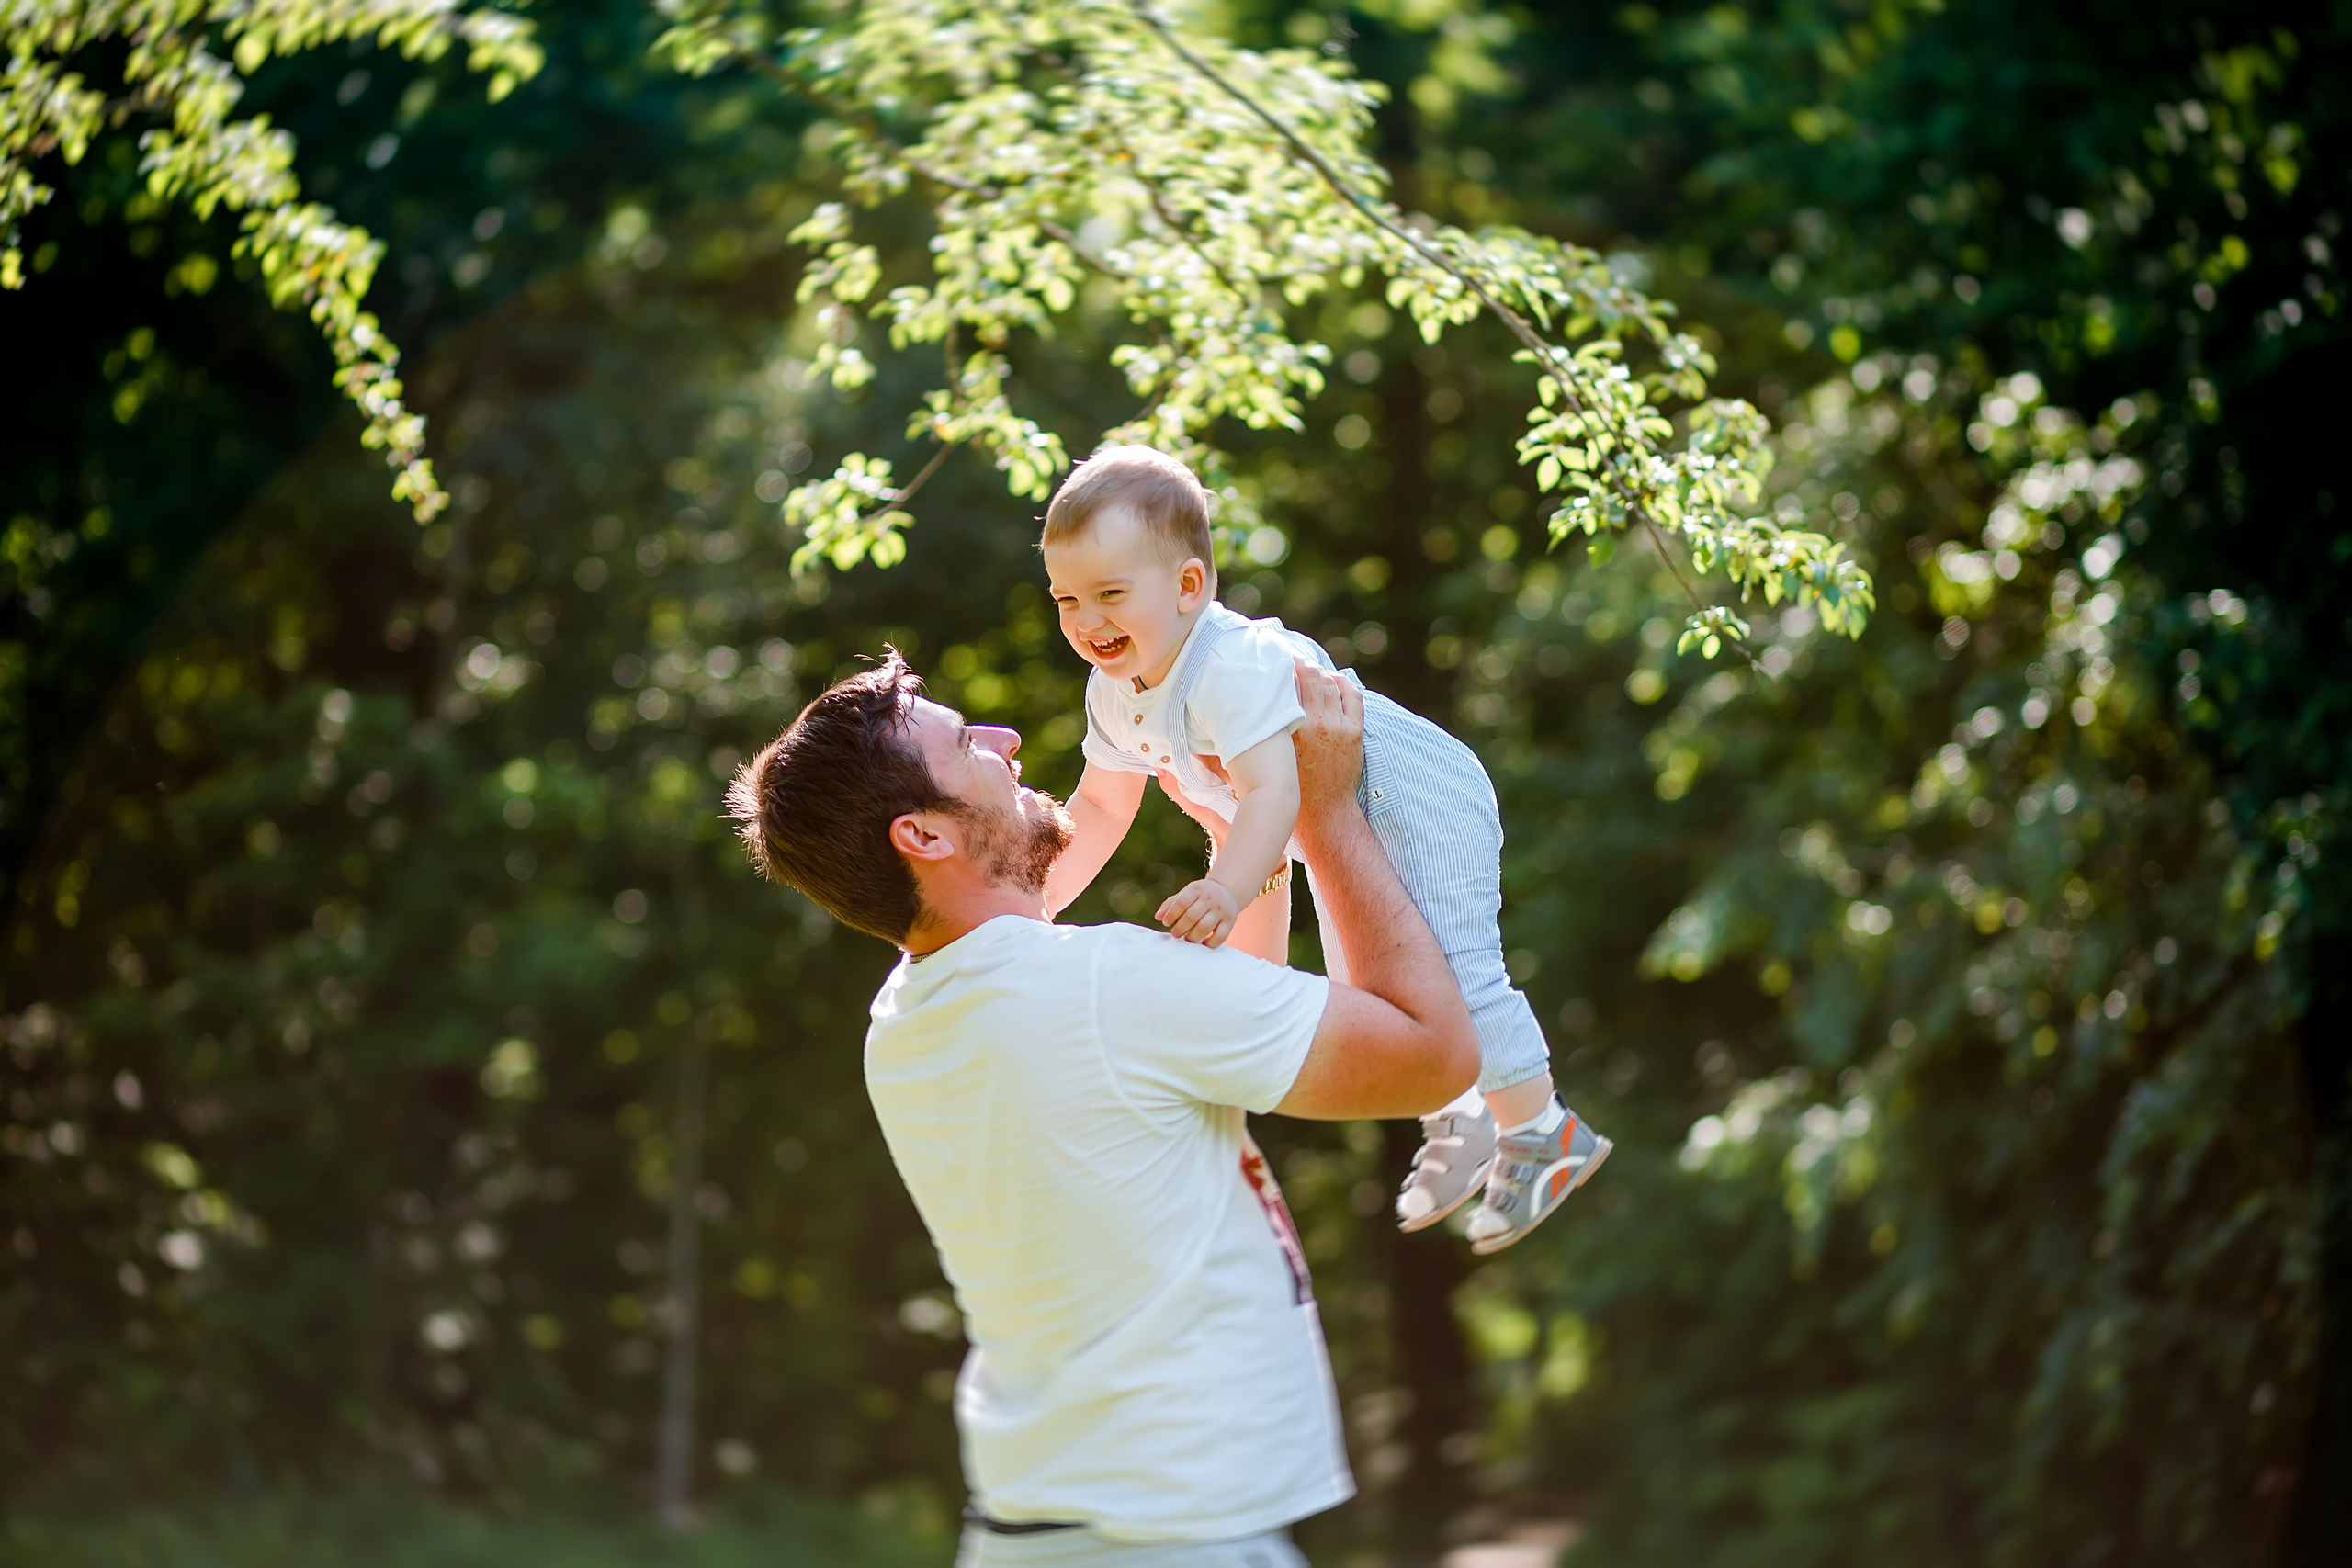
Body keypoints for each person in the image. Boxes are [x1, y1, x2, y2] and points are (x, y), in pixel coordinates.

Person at [727, 651, 1477, 1564]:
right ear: (922, 835)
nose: (1005, 741)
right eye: (968, 743)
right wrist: (1321, 809)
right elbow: (1432, 1056)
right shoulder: (1101, 986)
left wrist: (1250, 861)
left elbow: (1229, 1043)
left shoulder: (908, 1020)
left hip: (1042, 1530)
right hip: (1163, 1542)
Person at [1035, 445, 1610, 1254]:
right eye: (1066, 599)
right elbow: (1100, 803)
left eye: (1110, 595)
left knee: (1458, 970)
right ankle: (1463, 1119)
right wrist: (1038, 904)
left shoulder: (1227, 664)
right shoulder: (1114, 690)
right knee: (1374, 983)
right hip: (1338, 823)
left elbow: (1275, 793)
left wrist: (1229, 890)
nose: (1086, 621)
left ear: (1189, 587)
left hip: (1417, 797)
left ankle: (1546, 1132)